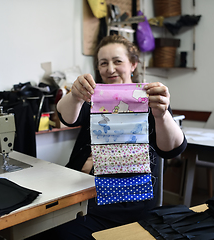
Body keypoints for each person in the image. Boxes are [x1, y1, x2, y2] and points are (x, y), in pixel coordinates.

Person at [32, 35, 187, 240]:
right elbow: (67, 117)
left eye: (117, 61)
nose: (110, 69)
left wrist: (162, 114)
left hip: (124, 202)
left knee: (57, 232)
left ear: (133, 64)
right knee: (35, 224)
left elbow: (173, 149)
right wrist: (75, 95)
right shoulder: (95, 98)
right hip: (80, 191)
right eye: (103, 63)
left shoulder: (150, 101)